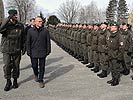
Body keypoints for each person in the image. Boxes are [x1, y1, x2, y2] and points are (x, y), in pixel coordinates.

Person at [0, 9, 26, 91]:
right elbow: (0, 29)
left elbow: (23, 38)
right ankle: (8, 81)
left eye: (16, 14)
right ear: (10, 16)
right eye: (14, 15)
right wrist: (7, 19)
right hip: (6, 49)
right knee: (7, 65)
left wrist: (23, 47)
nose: (16, 16)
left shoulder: (20, 25)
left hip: (17, 49)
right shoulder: (6, 25)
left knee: (16, 65)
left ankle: (15, 80)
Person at [26, 16, 51, 88]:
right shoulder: (30, 31)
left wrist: (48, 50)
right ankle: (36, 74)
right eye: (39, 21)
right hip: (33, 52)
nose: (41, 22)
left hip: (43, 51)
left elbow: (48, 41)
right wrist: (28, 51)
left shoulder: (45, 30)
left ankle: (41, 80)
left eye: (41, 21)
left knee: (42, 67)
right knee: (34, 66)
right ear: (35, 22)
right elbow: (28, 42)